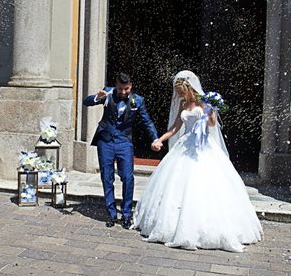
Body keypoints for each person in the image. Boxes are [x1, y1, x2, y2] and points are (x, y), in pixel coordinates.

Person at [133, 70, 263, 252]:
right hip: (185, 146)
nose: (178, 96)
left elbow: (211, 124)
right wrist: (160, 140)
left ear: (188, 89)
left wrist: (210, 111)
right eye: (177, 93)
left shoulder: (204, 102)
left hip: (203, 147)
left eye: (180, 92)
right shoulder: (184, 104)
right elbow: (175, 128)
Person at [83, 72, 159, 229]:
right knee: (107, 177)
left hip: (124, 142)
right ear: (115, 86)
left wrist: (155, 138)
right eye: (120, 89)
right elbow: (86, 102)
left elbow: (147, 121)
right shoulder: (108, 93)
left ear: (130, 86)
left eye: (126, 89)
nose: (123, 92)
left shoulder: (137, 100)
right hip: (106, 141)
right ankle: (111, 214)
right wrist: (97, 97)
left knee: (128, 177)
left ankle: (126, 214)